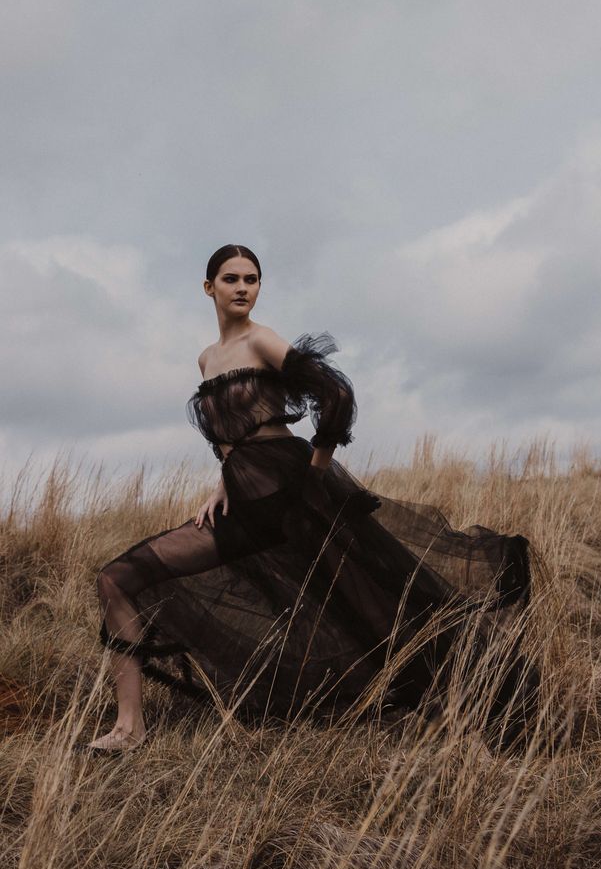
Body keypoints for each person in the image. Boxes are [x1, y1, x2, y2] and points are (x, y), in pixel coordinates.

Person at [88, 244, 535, 753]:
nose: (242, 288)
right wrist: (222, 483)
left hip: (295, 496)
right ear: (208, 286)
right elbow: (232, 436)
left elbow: (335, 395)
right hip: (243, 506)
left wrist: (315, 472)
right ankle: (129, 730)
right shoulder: (207, 359)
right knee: (116, 578)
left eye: (251, 279)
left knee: (383, 612)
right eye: (231, 278)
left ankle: (479, 710)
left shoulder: (263, 342)